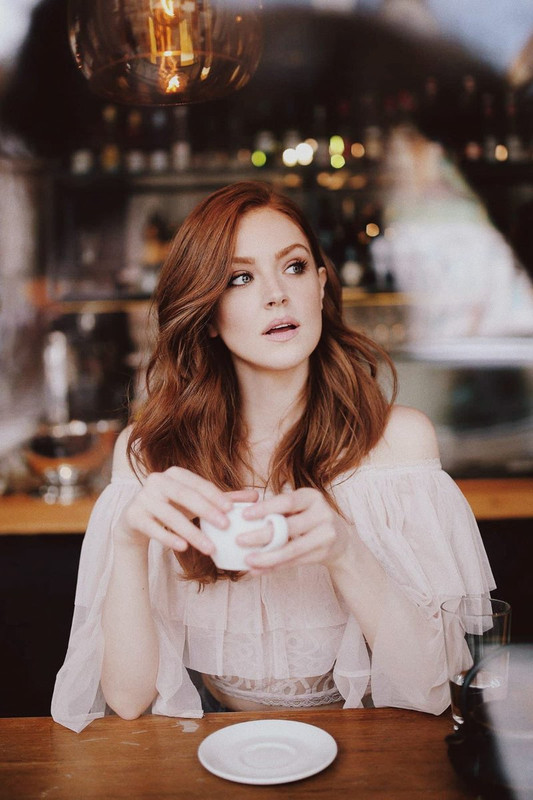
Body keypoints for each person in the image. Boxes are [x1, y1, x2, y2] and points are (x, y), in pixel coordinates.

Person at [52, 181, 494, 732]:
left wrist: (345, 552)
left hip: (371, 739)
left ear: (321, 285)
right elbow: (126, 697)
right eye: (240, 278)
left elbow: (436, 684)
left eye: (294, 267)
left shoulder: (400, 442)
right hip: (219, 746)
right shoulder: (148, 455)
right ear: (207, 315)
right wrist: (128, 540)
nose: (276, 294)